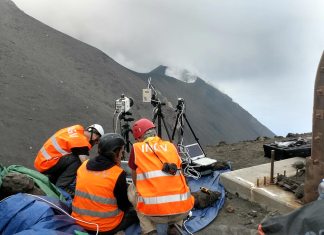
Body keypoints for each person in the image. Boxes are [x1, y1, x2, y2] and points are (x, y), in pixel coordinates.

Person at [127, 118, 194, 235]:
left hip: (155, 215)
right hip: (183, 210)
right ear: (154, 132)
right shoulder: (172, 146)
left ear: (139, 138)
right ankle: (176, 226)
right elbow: (181, 174)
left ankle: (149, 230)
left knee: (133, 190)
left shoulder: (137, 148)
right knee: (178, 185)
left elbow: (134, 176)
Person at [72, 133, 138, 235]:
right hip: (105, 227)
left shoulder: (84, 166)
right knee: (137, 211)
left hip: (78, 221)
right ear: (115, 152)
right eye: (121, 152)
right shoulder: (117, 174)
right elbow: (124, 206)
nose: (122, 154)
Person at [34, 124, 104, 191]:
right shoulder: (81, 142)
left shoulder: (76, 130)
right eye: (97, 141)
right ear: (95, 136)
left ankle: (53, 180)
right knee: (77, 160)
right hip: (47, 164)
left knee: (70, 159)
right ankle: (61, 188)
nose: (95, 143)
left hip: (42, 161)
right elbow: (85, 164)